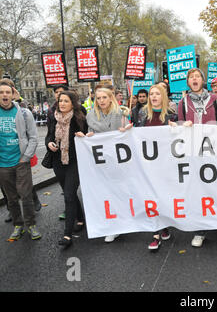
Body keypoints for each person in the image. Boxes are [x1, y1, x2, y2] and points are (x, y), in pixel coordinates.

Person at [176, 68, 217, 248]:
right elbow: (180, 126)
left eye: (197, 76)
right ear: (188, 82)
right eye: (191, 77)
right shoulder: (182, 102)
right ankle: (200, 229)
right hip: (192, 151)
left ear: (202, 80)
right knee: (196, 189)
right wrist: (183, 125)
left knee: (213, 186)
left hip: (212, 150)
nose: (194, 79)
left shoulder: (215, 100)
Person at [82, 87, 131, 243]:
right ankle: (110, 225)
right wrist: (87, 137)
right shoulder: (90, 116)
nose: (101, 100)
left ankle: (122, 223)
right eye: (98, 98)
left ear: (111, 98)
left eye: (104, 97)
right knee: (103, 194)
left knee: (118, 192)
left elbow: (128, 135)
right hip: (100, 161)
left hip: (118, 160)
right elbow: (91, 134)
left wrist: (128, 130)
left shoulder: (121, 114)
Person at [133, 84, 177, 250]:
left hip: (166, 162)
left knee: (163, 196)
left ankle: (163, 224)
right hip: (149, 162)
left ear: (163, 96)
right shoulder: (143, 113)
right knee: (151, 195)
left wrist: (177, 128)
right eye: (151, 94)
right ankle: (156, 233)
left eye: (157, 94)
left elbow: (178, 137)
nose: (153, 96)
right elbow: (138, 134)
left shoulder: (171, 114)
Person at [46, 90, 87, 248]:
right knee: (69, 194)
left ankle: (67, 234)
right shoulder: (53, 117)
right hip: (58, 162)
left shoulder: (79, 118)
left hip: (75, 162)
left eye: (66, 101)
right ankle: (81, 217)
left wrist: (84, 135)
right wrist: (49, 144)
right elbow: (49, 136)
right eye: (60, 101)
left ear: (73, 103)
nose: (62, 103)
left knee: (68, 195)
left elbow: (88, 135)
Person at [0, 80, 41, 241]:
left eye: (7, 92)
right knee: (11, 198)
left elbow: (33, 137)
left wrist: (25, 157)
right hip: (2, 164)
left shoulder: (24, 113)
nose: (4, 95)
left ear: (13, 95)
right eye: (1, 92)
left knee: (26, 195)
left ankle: (31, 225)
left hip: (21, 162)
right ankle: (18, 225)